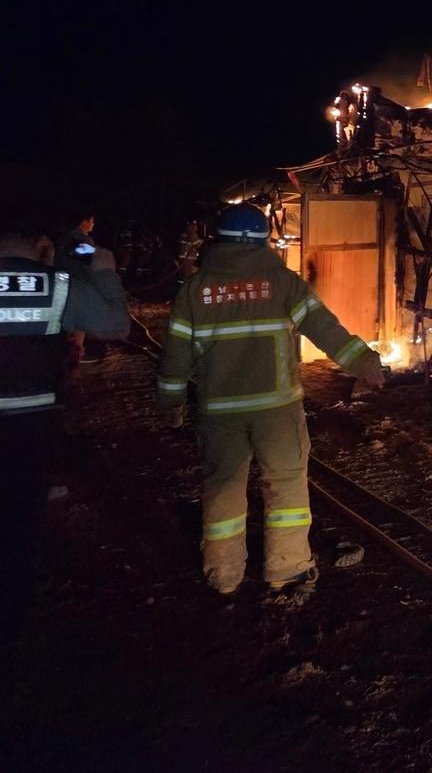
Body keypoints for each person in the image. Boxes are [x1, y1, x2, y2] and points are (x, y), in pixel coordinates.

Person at [156, 202, 385, 595]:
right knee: (286, 485)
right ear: (264, 241)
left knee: (224, 486)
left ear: (218, 240)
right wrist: (364, 363)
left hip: (219, 412)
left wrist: (171, 403)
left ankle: (223, 573)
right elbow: (325, 329)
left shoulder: (195, 291)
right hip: (277, 410)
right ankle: (288, 567)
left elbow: (175, 355)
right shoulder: (283, 283)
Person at [0, 219, 131, 644]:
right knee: (18, 522)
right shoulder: (57, 286)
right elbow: (114, 326)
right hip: (31, 426)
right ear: (40, 246)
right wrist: (105, 270)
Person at [56, 211, 99, 363]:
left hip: (62, 283)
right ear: (84, 222)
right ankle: (76, 356)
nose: (93, 225)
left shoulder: (64, 238)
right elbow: (87, 264)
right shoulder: (84, 240)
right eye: (91, 221)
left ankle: (64, 353)